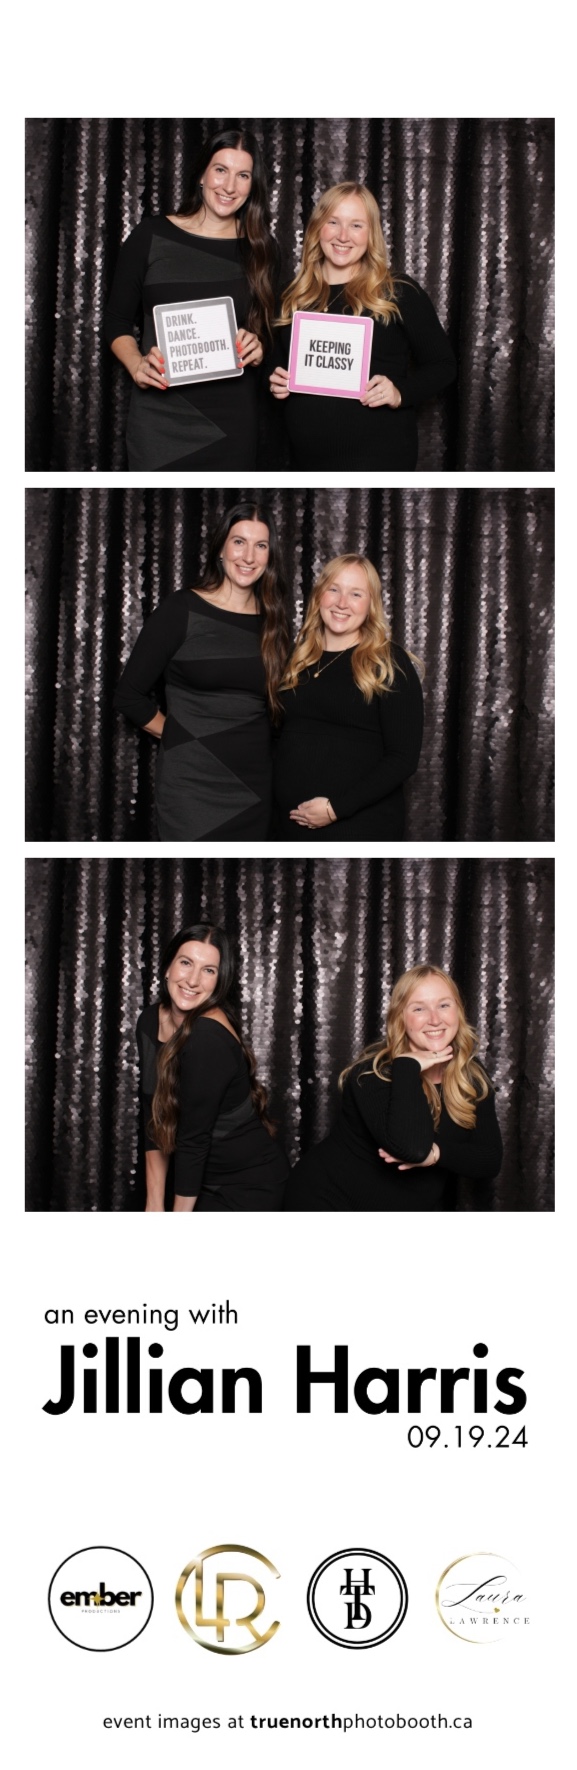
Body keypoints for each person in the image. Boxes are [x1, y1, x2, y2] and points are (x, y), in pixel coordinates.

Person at [114, 501, 290, 839]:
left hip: (254, 788)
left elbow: (280, 713)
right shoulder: (181, 609)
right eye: (239, 541)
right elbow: (129, 697)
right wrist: (185, 739)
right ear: (221, 548)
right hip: (191, 788)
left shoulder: (274, 622)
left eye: (261, 545)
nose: (248, 556)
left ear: (270, 556)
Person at [104, 128, 277, 469]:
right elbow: (116, 321)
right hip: (159, 421)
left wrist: (259, 346)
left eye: (243, 175)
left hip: (231, 422)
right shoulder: (151, 235)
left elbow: (270, 330)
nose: (229, 186)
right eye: (220, 170)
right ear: (202, 174)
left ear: (252, 185)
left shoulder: (262, 248)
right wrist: (136, 364)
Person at [284, 965, 502, 1211]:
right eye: (419, 1008)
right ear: (400, 1017)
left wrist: (436, 1154)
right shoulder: (371, 1073)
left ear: (458, 1011)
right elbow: (413, 1149)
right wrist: (407, 1067)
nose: (435, 1019)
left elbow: (490, 1160)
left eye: (444, 1005)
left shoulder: (471, 1073)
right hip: (330, 1201)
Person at [269, 183, 456, 470]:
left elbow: (444, 365)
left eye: (356, 225)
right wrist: (275, 382)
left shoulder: (398, 292)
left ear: (371, 234)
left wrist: (400, 392)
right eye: (333, 222)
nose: (343, 236)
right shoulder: (290, 296)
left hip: (379, 461)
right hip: (305, 464)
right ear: (318, 227)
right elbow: (273, 368)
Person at [137, 924, 288, 1211]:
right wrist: (153, 1204)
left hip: (247, 1184)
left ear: (219, 981)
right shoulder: (149, 1020)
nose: (193, 980)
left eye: (208, 970)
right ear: (167, 968)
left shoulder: (206, 1037)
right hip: (195, 1180)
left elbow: (194, 1139)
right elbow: (153, 1113)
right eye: (186, 963)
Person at [273, 553, 423, 838]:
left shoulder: (388, 663)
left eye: (356, 594)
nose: (342, 603)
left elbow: (403, 758)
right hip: (287, 827)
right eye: (334, 589)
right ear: (319, 596)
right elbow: (277, 739)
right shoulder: (296, 659)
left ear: (371, 604)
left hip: (357, 829)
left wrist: (335, 809)